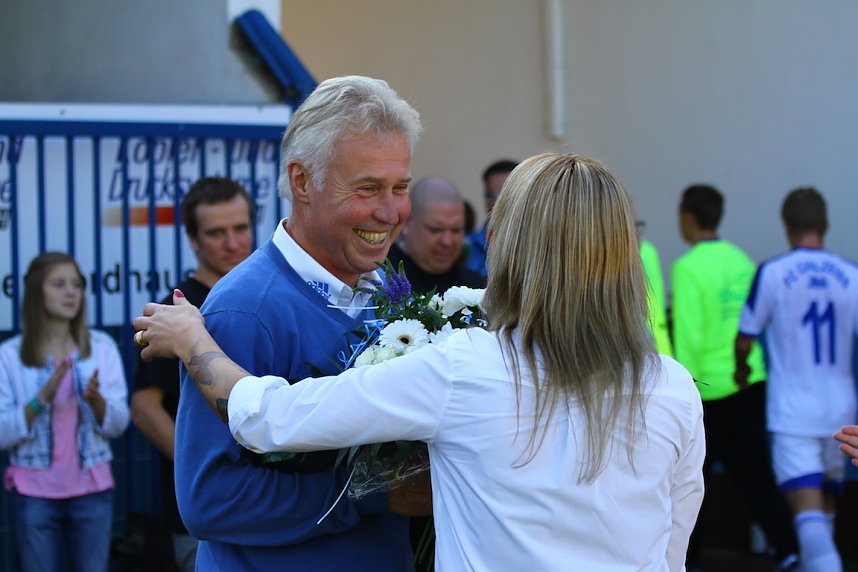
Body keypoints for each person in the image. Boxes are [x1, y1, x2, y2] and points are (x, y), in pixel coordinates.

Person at [134, 152, 706, 571]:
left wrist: (194, 340)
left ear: (509, 247)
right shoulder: (675, 388)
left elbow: (269, 418)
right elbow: (671, 548)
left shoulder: (467, 370)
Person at [162, 76, 426, 572]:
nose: (391, 212)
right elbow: (210, 500)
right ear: (302, 182)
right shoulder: (245, 309)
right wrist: (376, 497)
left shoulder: (385, 286)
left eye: (400, 187)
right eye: (368, 188)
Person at [671, 185, 798, 571]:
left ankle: (687, 560)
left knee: (693, 483)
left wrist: (686, 384)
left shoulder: (687, 267)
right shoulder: (742, 260)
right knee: (757, 476)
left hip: (708, 389)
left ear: (688, 217)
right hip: (748, 381)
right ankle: (788, 548)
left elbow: (689, 334)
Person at [130, 177, 253, 571]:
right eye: (217, 233)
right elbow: (144, 406)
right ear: (194, 240)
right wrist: (202, 465)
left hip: (268, 503)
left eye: (240, 228)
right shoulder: (176, 309)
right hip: (204, 513)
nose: (232, 243)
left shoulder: (261, 293)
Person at [736, 187, 858, 572]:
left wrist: (740, 370)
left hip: (792, 412)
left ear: (786, 227)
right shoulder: (851, 275)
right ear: (825, 226)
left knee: (807, 516)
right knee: (824, 509)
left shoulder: (773, 272)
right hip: (841, 408)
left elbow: (744, 338)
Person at [0, 252, 130, 572]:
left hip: (92, 491)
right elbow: (3, 432)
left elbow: (119, 424)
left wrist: (97, 401)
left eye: (77, 284)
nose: (71, 292)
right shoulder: (10, 356)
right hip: (34, 494)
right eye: (59, 284)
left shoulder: (101, 348)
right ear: (36, 293)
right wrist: (40, 398)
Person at [387, 176, 485, 294]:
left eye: (456, 230)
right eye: (435, 230)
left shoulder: (475, 289)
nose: (446, 241)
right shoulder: (377, 279)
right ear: (407, 223)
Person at [464, 159, 517, 277]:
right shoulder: (465, 244)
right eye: (489, 194)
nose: (495, 200)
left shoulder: (536, 246)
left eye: (504, 193)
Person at [638, 224, 673, 355]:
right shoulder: (649, 251)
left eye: (638, 226)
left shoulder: (646, 251)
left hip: (648, 349)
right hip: (659, 347)